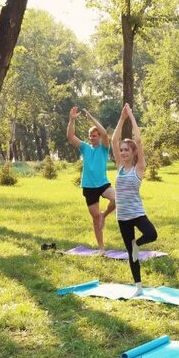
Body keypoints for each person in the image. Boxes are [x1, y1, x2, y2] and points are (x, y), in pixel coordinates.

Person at [111, 104, 157, 296]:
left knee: (152, 234)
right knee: (131, 255)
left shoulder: (139, 167)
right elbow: (114, 140)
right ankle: (138, 288)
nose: (122, 152)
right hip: (122, 216)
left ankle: (137, 244)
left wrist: (131, 115)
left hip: (137, 213)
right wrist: (121, 119)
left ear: (133, 152)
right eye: (121, 150)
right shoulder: (120, 166)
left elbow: (138, 139)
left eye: (126, 150)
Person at [67, 106, 115, 254]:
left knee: (117, 199)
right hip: (88, 186)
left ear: (99, 137)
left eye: (96, 135)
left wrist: (91, 118)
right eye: (91, 135)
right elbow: (70, 136)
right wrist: (72, 120)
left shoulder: (104, 147)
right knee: (94, 217)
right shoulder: (85, 148)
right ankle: (101, 248)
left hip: (103, 184)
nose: (93, 137)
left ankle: (104, 215)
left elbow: (105, 133)